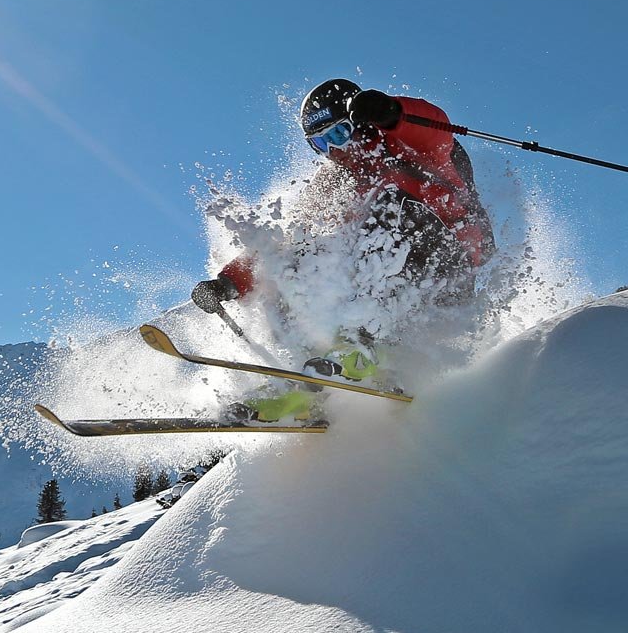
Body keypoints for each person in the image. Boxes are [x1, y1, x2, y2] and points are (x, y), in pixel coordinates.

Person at [188, 79, 496, 421]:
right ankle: (306, 386)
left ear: (360, 123)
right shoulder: (333, 185)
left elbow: (436, 128)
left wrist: (392, 111)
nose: (333, 151)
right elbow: (285, 241)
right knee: (300, 257)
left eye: (338, 135)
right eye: (320, 144)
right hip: (389, 290)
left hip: (444, 261)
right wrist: (230, 282)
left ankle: (360, 344)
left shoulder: (405, 145)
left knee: (387, 205)